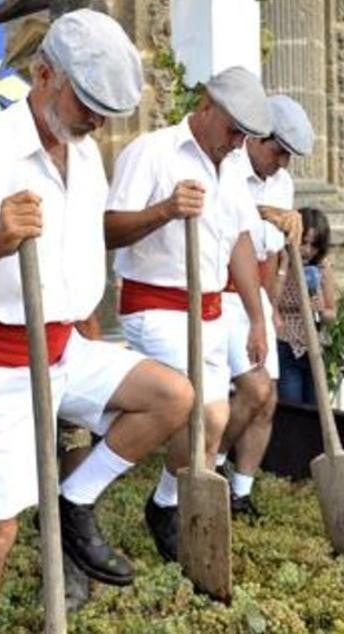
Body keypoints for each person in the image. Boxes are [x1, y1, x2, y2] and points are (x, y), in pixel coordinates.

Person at [0, 9, 193, 634]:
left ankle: (75, 499)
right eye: (85, 102)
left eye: (103, 110)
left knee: (173, 396)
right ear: (43, 74)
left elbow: (79, 247)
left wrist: (86, 317)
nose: (93, 120)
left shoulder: (85, 155)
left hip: (67, 349)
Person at [105, 65, 272, 561]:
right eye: (232, 130)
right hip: (154, 305)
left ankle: (166, 506)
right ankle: (120, 498)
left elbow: (239, 241)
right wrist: (165, 210)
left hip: (212, 311)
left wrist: (257, 316)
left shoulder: (234, 168)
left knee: (211, 423)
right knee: (210, 413)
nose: (238, 143)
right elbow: (108, 230)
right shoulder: (151, 152)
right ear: (205, 105)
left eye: (246, 135)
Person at [214, 95, 312, 517]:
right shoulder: (229, 164)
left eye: (289, 156)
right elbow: (224, 222)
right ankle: (212, 463)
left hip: (256, 295)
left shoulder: (281, 183)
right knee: (255, 389)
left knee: (267, 400)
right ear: (256, 138)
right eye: (278, 152)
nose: (282, 163)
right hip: (223, 291)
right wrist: (261, 212)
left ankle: (240, 490)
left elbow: (270, 254)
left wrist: (269, 306)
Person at [274, 208, 337, 407]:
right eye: (304, 243)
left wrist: (320, 310)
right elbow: (271, 301)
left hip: (314, 347)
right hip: (286, 345)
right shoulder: (280, 262)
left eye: (314, 245)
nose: (307, 251)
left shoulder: (321, 268)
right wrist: (284, 265)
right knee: (292, 406)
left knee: (315, 407)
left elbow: (332, 314)